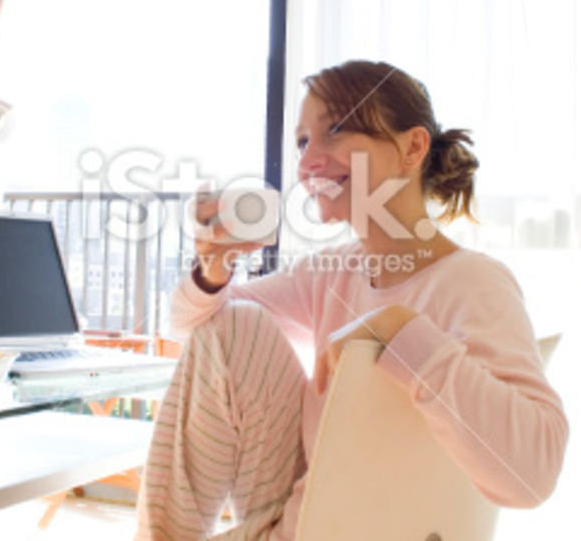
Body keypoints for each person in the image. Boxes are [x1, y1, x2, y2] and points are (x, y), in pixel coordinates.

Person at [135, 60, 568, 541]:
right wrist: (214, 269)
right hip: (300, 521)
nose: (307, 162)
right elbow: (196, 330)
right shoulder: (334, 272)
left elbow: (534, 474)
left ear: (413, 146)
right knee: (234, 321)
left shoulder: (474, 283)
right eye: (302, 142)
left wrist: (398, 331)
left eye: (336, 129)